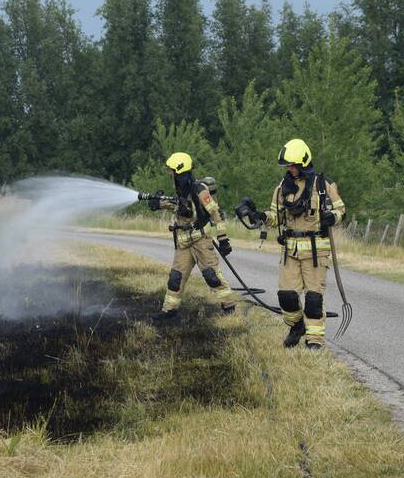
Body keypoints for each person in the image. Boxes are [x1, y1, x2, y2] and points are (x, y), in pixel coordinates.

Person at [238, 138, 346, 349]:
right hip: (290, 251)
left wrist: (331, 217)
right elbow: (276, 217)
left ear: (304, 162)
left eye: (293, 165)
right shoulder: (281, 188)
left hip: (316, 252)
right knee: (286, 297)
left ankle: (314, 341)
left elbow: (341, 210)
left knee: (314, 300)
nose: (290, 169)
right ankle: (296, 325)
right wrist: (259, 215)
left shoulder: (323, 185)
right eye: (288, 166)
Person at [145, 152, 239, 317]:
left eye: (172, 171)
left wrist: (223, 239)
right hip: (184, 244)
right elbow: (179, 205)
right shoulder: (181, 190)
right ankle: (169, 310)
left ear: (180, 171)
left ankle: (229, 308)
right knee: (176, 278)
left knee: (212, 276)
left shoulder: (199, 189)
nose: (170, 174)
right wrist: (158, 204)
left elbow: (215, 213)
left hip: (201, 242)